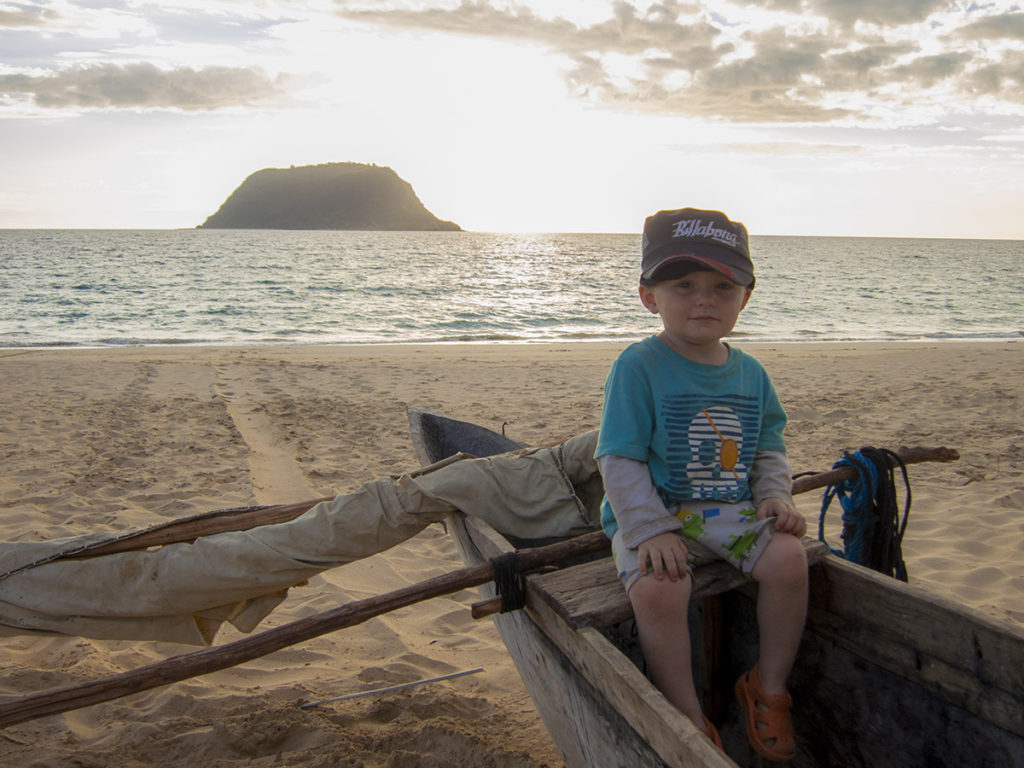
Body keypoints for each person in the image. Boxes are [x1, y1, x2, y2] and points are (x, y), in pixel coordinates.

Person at [595, 207, 808, 761]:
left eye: (722, 286)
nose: (704, 299)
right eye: (683, 285)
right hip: (656, 512)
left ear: (745, 297)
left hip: (725, 513)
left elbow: (767, 446)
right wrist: (649, 528)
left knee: (789, 560)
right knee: (661, 589)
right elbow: (618, 458)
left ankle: (769, 685)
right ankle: (686, 714)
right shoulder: (639, 365)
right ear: (650, 297)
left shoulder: (751, 374)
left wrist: (774, 494)